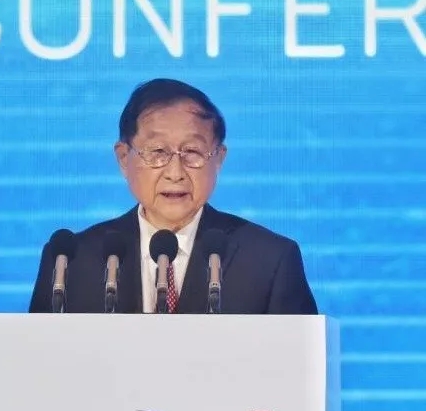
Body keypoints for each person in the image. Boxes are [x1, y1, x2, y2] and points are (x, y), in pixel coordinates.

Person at [28, 78, 317, 315]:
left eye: (192, 152)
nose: (175, 172)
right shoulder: (70, 263)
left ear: (219, 158)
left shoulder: (269, 261)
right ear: (123, 158)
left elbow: (299, 363)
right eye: (158, 152)